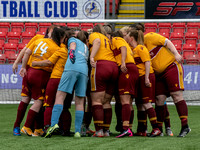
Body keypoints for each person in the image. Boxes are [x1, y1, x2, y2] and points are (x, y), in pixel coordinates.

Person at [131, 23, 190, 137]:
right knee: (159, 99)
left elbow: (166, 41)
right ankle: (159, 129)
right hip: (158, 74)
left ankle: (185, 126)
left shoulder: (151, 37)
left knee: (176, 95)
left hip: (171, 67)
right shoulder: (137, 46)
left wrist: (176, 53)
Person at [19, 27, 66, 136]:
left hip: (30, 71)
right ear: (60, 37)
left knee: (37, 99)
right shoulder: (56, 47)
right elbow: (49, 62)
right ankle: (26, 127)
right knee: (39, 102)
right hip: (40, 74)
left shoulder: (39, 40)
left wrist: (23, 67)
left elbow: (26, 52)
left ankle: (38, 129)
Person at [13, 25, 56, 136]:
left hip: (37, 71)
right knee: (27, 99)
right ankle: (18, 126)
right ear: (48, 32)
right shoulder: (38, 38)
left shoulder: (55, 44)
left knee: (38, 100)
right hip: (31, 69)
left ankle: (37, 128)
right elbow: (25, 50)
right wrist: (16, 62)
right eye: (52, 31)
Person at [45, 31, 89, 138]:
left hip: (72, 68)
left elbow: (72, 45)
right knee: (79, 101)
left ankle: (53, 124)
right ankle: (78, 131)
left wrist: (71, 52)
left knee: (60, 96)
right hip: (84, 71)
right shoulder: (85, 47)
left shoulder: (72, 39)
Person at [31, 30, 74, 136]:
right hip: (67, 79)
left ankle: (47, 128)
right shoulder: (71, 50)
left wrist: (35, 63)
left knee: (48, 103)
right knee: (64, 106)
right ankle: (66, 130)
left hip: (55, 78)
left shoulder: (61, 50)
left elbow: (49, 62)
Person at [126, 29, 161, 137]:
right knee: (140, 104)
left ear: (131, 38)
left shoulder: (141, 48)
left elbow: (147, 62)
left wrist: (146, 78)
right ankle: (142, 130)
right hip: (140, 77)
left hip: (145, 76)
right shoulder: (134, 49)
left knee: (146, 102)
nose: (126, 37)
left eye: (127, 35)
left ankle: (156, 128)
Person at [89, 24, 118, 137]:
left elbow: (96, 42)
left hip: (101, 65)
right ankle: (106, 130)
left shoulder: (95, 35)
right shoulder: (108, 38)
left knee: (96, 101)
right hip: (113, 66)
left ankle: (99, 130)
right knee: (106, 101)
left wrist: (91, 57)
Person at [110, 30, 139, 138]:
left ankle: (126, 129)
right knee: (129, 102)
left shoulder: (117, 39)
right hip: (132, 69)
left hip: (127, 68)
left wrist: (122, 63)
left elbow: (123, 48)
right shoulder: (123, 42)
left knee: (125, 100)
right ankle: (129, 128)